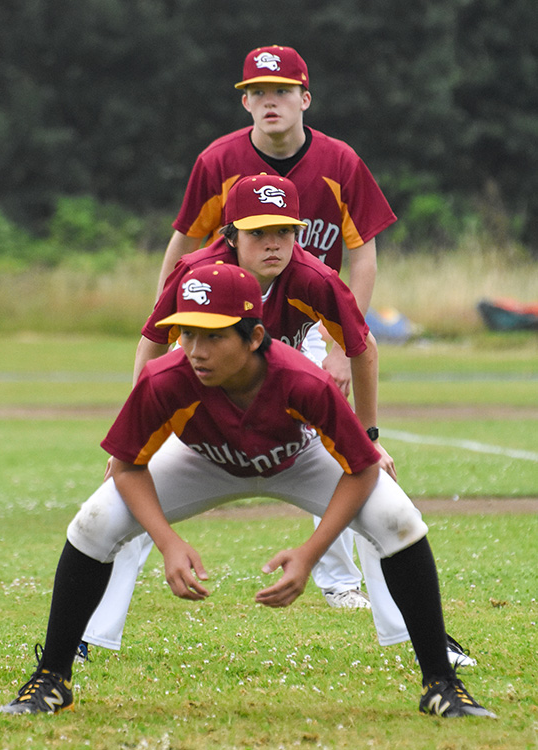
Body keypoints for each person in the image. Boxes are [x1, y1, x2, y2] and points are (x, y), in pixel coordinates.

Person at [0, 263, 495, 718]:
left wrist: (310, 552)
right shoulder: (166, 378)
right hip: (201, 460)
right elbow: (128, 467)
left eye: (214, 335)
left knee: (397, 519)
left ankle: (441, 683)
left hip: (297, 458)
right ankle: (52, 678)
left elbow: (361, 468)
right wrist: (167, 542)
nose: (196, 350)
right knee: (94, 521)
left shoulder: (303, 380)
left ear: (256, 336)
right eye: (188, 333)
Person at [80, 174, 475, 669]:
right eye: (258, 232)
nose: (273, 243)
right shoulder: (196, 274)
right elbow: (153, 344)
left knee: (390, 511)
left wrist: (370, 437)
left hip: (297, 443)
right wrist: (140, 436)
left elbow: (361, 347)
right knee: (112, 510)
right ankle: (83, 635)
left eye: (284, 231)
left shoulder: (314, 279)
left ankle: (425, 639)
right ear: (230, 235)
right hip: (205, 443)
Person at [155, 43, 395, 611]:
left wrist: (338, 345)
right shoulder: (218, 160)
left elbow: (362, 256)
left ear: (304, 98)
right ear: (245, 102)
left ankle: (340, 580)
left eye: (282, 91)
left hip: (310, 317)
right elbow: (184, 244)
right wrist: (170, 328)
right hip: (225, 322)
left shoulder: (339, 162)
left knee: (339, 442)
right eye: (257, 92)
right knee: (159, 448)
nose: (270, 101)